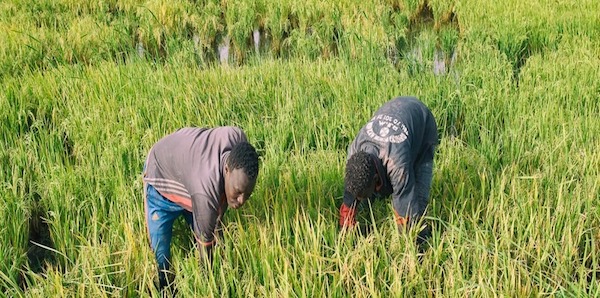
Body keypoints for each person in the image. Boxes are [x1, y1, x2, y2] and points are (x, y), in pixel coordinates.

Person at [142, 126, 259, 290]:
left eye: (248, 194)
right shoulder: (205, 193)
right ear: (227, 169)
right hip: (160, 172)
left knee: (214, 228)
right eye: (239, 192)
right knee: (161, 254)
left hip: (187, 165)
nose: (242, 200)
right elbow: (206, 248)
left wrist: (217, 220)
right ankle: (164, 285)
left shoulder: (238, 137)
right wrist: (209, 282)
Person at [339, 96, 438, 241]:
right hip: (395, 109)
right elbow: (351, 192)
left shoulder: (397, 165)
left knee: (417, 203)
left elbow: (406, 208)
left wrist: (408, 241)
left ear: (375, 177)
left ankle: (423, 243)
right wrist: (346, 223)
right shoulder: (354, 152)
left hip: (422, 123)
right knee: (367, 201)